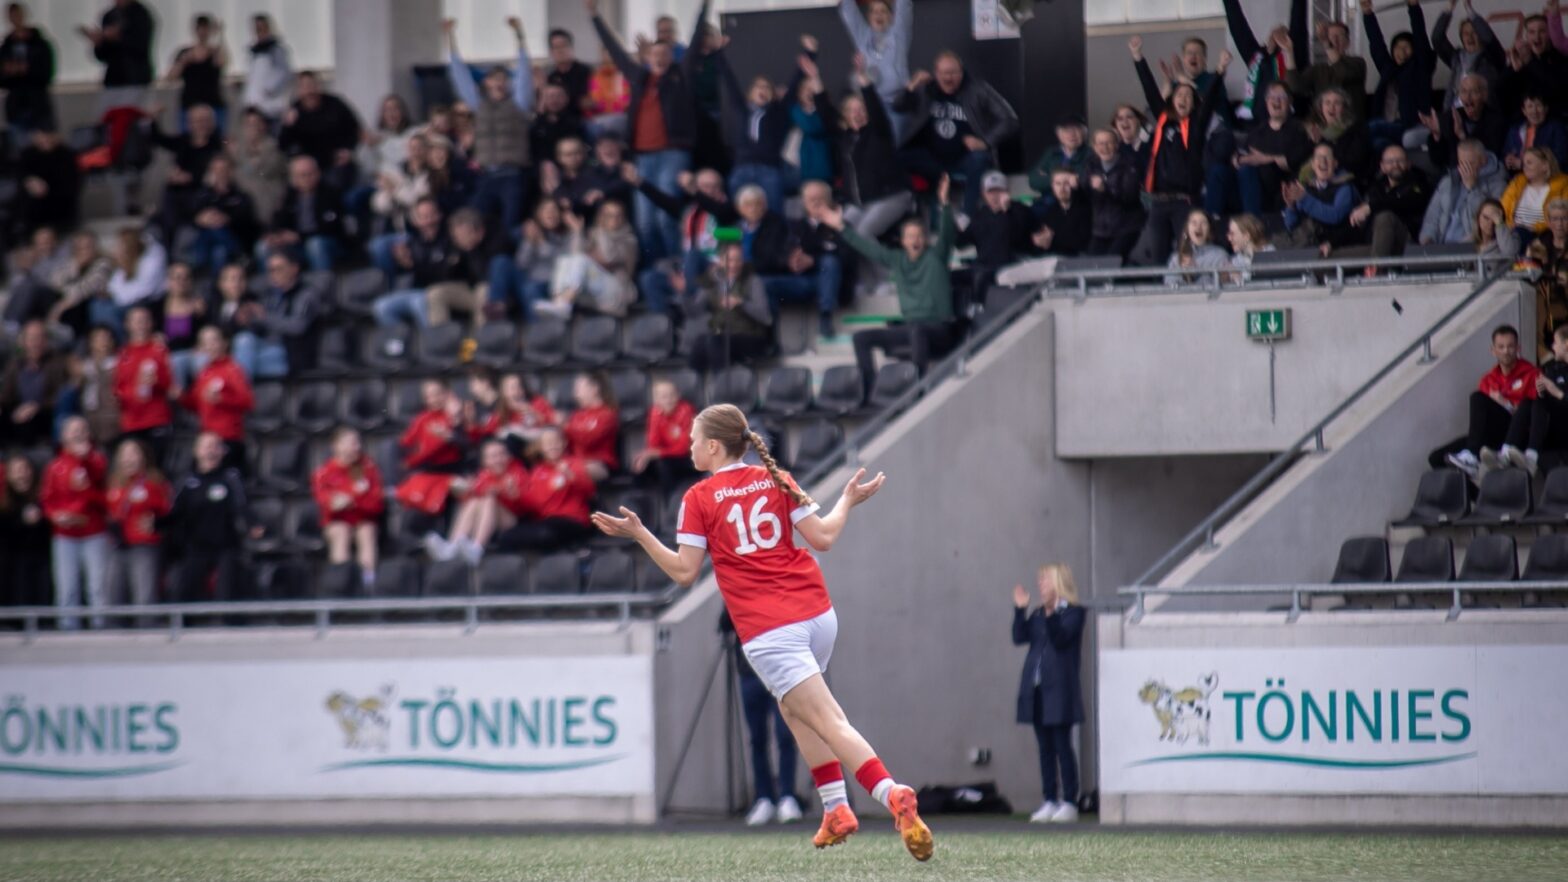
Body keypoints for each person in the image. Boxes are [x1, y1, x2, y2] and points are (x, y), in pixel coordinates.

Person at [591, 405, 933, 862]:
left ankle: (891, 793)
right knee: (796, 709)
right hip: (818, 615)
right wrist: (847, 500)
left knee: (828, 720)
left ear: (713, 446)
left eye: (694, 439)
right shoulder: (777, 477)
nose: (689, 446)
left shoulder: (699, 497)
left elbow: (684, 571)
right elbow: (824, 538)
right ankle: (835, 809)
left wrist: (639, 535)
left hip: (771, 630)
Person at [817, 175, 956, 396]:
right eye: (910, 236)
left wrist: (945, 204)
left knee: (917, 331)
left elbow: (948, 236)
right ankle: (870, 389)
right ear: (902, 241)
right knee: (861, 337)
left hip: (938, 328)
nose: (915, 240)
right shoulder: (897, 259)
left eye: (919, 236)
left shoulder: (936, 257)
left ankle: (918, 387)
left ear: (926, 239)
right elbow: (866, 247)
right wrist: (842, 227)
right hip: (912, 327)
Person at [588, 0, 706, 260]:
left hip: (672, 155)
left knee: (665, 218)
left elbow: (696, 43)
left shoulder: (680, 76)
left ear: (671, 56)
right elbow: (615, 52)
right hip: (642, 157)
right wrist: (595, 16)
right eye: (656, 53)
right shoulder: (639, 77)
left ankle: (679, 269)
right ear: (648, 57)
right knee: (645, 224)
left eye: (665, 53)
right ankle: (659, 271)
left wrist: (704, 7)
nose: (660, 57)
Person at [1127, 37, 1230, 267]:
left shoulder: (1196, 125)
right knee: (1157, 257)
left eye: (1188, 96)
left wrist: (1221, 70)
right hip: (1158, 202)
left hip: (1184, 202)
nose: (1183, 98)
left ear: (1194, 104)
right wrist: (1138, 57)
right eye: (1179, 95)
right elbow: (1150, 89)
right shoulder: (1163, 121)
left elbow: (1211, 97)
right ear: (1171, 100)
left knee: (1187, 255)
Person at [893, 51, 1019, 218]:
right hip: (932, 158)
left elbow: (1009, 119)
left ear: (962, 72)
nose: (949, 77)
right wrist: (912, 85)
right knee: (896, 158)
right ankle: (913, 213)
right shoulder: (925, 89)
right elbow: (898, 106)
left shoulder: (977, 89)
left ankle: (966, 215)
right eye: (944, 73)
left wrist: (986, 142)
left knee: (980, 158)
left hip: (965, 159)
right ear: (936, 73)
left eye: (953, 72)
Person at [444, 16, 535, 234]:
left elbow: (524, 73)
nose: (499, 82)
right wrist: (450, 37)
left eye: (503, 78)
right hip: (486, 176)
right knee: (474, 221)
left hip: (512, 175)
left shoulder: (519, 103)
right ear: (486, 82)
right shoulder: (478, 104)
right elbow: (460, 76)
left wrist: (519, 36)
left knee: (510, 224)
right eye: (494, 78)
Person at [1011, 563, 1085, 824]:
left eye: (1045, 581)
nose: (1041, 586)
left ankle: (1070, 801)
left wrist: (1053, 613)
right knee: (1044, 747)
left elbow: (1061, 638)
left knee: (1062, 745)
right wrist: (1020, 610)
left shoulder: (1073, 613)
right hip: (1038, 690)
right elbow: (1019, 637)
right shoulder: (1039, 614)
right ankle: (1049, 799)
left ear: (1058, 583)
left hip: (1060, 691)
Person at [720, 606, 804, 827]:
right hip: (750, 671)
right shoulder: (740, 585)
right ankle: (764, 797)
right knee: (757, 739)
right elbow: (725, 623)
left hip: (781, 670)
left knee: (785, 735)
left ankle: (787, 795)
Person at [822, 54, 912, 241]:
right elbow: (826, 114)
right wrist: (815, 79)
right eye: (851, 110)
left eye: (861, 109)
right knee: (838, 233)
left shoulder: (879, 131)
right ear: (845, 117)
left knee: (862, 235)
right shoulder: (846, 138)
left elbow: (876, 108)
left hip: (891, 197)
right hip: (860, 203)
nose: (857, 113)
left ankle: (888, 271)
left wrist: (863, 79)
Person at [1431, 325, 1538, 478]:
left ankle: (1472, 456)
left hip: (1517, 435)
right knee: (1436, 458)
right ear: (1493, 350)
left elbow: (1535, 414)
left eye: (1510, 346)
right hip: (1490, 436)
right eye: (1501, 347)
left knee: (1477, 398)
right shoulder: (1488, 379)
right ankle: (1478, 496)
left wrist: (1505, 404)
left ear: (1518, 348)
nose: (1506, 351)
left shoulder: (1532, 374)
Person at [716, 37, 808, 214]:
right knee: (738, 213)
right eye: (758, 87)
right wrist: (718, 53)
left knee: (773, 212)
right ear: (750, 92)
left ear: (773, 95)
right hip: (741, 168)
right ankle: (741, 242)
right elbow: (729, 80)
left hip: (769, 169)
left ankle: (774, 241)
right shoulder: (742, 109)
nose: (762, 90)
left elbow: (795, 84)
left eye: (767, 88)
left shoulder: (777, 112)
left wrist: (809, 53)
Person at [40, 416, 110, 630]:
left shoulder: (98, 461)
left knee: (97, 586)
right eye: (73, 430)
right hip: (65, 534)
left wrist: (84, 461)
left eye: (82, 429)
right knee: (66, 586)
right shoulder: (55, 466)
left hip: (94, 532)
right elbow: (47, 500)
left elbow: (105, 495)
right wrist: (56, 516)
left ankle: (100, 626)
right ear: (63, 436)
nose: (78, 433)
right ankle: (68, 628)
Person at [165, 431, 250, 603]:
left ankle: (230, 625)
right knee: (186, 587)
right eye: (206, 446)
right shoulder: (186, 482)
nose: (211, 451)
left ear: (222, 451)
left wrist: (251, 524)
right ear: (197, 451)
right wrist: (157, 523)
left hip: (226, 544)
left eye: (215, 446)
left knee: (228, 587)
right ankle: (186, 625)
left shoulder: (231, 478)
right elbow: (174, 513)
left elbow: (242, 506)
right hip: (196, 545)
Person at [492, 425, 596, 552]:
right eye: (547, 443)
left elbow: (589, 491)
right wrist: (515, 494)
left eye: (555, 441)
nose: (552, 446)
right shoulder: (538, 470)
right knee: (507, 537)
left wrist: (571, 476)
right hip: (547, 521)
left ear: (564, 443)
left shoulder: (574, 463)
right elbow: (533, 503)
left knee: (545, 534)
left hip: (573, 520)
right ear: (541, 447)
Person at [426, 439, 529, 565]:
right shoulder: (484, 475)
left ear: (508, 456)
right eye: (493, 456)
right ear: (485, 461)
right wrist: (463, 491)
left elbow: (527, 504)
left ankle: (477, 548)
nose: (498, 459)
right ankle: (452, 546)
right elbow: (472, 496)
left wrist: (513, 494)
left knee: (489, 499)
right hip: (491, 519)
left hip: (514, 521)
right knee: (475, 501)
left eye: (501, 454)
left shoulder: (518, 471)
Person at [312, 427, 384, 592]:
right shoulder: (324, 472)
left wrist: (351, 500)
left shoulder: (368, 468)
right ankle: (341, 583)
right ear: (336, 446)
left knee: (366, 531)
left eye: (357, 442)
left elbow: (375, 502)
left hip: (363, 518)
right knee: (341, 532)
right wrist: (340, 501)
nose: (356, 447)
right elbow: (326, 503)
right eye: (351, 443)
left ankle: (368, 583)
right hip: (338, 521)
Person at [687, 242, 774, 375]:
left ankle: (723, 390)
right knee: (700, 343)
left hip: (751, 337)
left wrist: (741, 303)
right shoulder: (713, 282)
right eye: (729, 260)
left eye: (738, 260)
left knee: (716, 342)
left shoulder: (753, 281)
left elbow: (766, 317)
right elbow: (694, 311)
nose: (734, 265)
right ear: (720, 262)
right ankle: (692, 392)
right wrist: (683, 293)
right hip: (723, 336)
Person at [232, 249, 321, 380]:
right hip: (266, 351)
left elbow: (298, 326)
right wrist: (248, 319)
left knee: (236, 366)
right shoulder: (269, 295)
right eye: (270, 270)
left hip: (290, 354)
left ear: (294, 269)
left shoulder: (306, 294)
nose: (273, 274)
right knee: (243, 341)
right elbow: (261, 326)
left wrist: (263, 316)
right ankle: (238, 392)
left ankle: (237, 394)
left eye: (278, 269)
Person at [1361, 0, 1435, 154]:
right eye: (1397, 47)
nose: (1401, 51)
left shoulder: (1420, 68)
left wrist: (1413, 7)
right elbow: (1377, 44)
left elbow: (1420, 37)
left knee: (1372, 127)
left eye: (1406, 47)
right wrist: (1368, 14)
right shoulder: (1388, 69)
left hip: (1409, 125)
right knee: (1378, 144)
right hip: (1386, 126)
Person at [105, 437, 169, 614]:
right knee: (113, 593)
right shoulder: (113, 484)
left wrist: (155, 522)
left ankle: (147, 632)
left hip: (144, 545)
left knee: (144, 596)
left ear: (143, 457)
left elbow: (168, 512)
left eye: (133, 453)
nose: (128, 458)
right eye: (124, 454)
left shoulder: (154, 483)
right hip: (118, 546)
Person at [370, 197, 454, 329]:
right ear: (415, 221)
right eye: (423, 217)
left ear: (440, 215)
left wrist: (413, 265)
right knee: (381, 307)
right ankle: (404, 341)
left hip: (441, 291)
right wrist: (401, 263)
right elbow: (407, 273)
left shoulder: (450, 239)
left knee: (419, 302)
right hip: (417, 290)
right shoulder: (413, 242)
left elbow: (447, 274)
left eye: (431, 215)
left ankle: (433, 345)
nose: (428, 221)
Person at [1218, 0, 1307, 124]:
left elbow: (1299, 20)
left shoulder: (1295, 57)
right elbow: (1238, 26)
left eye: (1283, 34)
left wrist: (1288, 49)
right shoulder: (1257, 57)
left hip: (1288, 124)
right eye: (1274, 34)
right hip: (1257, 125)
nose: (1278, 36)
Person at [179, 327, 253, 474]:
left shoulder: (232, 369)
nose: (210, 346)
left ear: (224, 343)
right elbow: (195, 404)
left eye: (214, 341)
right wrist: (180, 396)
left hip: (227, 438)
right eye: (205, 342)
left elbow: (248, 401)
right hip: (208, 439)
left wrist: (222, 399)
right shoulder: (204, 372)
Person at [546, 203, 639, 319]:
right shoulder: (594, 234)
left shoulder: (628, 239)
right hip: (595, 294)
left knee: (582, 260)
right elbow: (575, 255)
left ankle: (563, 303)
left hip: (617, 295)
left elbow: (608, 257)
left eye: (618, 215)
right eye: (609, 215)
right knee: (565, 260)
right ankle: (559, 301)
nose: (614, 219)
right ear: (602, 216)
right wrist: (577, 231)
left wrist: (601, 230)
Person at [838, 0, 913, 142]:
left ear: (891, 16)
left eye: (883, 11)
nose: (878, 15)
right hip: (870, 106)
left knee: (893, 149)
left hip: (895, 105)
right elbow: (848, 9)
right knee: (870, 149)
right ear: (869, 16)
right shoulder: (863, 36)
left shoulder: (899, 35)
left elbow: (904, 6)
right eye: (874, 11)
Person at [259, 155, 347, 272]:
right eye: (302, 175)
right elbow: (278, 217)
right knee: (263, 247)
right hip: (297, 245)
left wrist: (300, 236)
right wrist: (275, 234)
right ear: (294, 178)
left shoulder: (330, 193)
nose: (307, 178)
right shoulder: (289, 195)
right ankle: (271, 287)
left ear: (318, 173)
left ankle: (323, 283)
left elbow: (332, 228)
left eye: (310, 174)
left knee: (315, 245)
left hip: (328, 243)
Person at [279, 70, 362, 193]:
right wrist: (288, 125)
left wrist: (348, 149)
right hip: (307, 166)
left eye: (311, 85)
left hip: (335, 163)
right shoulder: (295, 111)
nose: (309, 91)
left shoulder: (335, 104)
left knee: (336, 183)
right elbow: (283, 144)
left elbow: (354, 128)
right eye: (304, 87)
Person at [113, 304, 173, 462]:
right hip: (132, 421)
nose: (141, 324)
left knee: (157, 469)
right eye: (136, 320)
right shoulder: (123, 354)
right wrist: (133, 393)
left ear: (151, 323)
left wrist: (157, 381)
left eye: (144, 320)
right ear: (128, 324)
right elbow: (117, 388)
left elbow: (171, 385)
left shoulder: (159, 350)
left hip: (156, 418)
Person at [182, 153, 258, 277]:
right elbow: (189, 215)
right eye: (216, 169)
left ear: (231, 171)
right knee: (212, 234)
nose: (220, 173)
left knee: (219, 250)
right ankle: (238, 256)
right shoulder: (203, 195)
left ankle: (201, 267)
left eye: (224, 169)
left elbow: (247, 220)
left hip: (232, 236)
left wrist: (227, 219)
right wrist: (200, 219)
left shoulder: (240, 196)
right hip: (205, 238)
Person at [1349, 144, 1431, 259]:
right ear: (1382, 166)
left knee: (1385, 217)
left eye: (1400, 161)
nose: (1395, 165)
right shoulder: (1376, 187)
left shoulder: (1418, 183)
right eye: (1390, 161)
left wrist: (1370, 207)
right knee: (1325, 259)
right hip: (1375, 246)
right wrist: (1330, 243)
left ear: (1408, 163)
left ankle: (1376, 273)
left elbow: (1400, 203)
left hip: (1405, 246)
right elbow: (1356, 219)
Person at [1419, 139, 1507, 245]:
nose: (1465, 168)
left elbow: (1487, 224)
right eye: (1462, 163)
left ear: (1483, 160)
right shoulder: (1448, 182)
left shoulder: (1498, 185)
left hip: (1472, 248)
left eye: (1470, 163)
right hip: (1440, 247)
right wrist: (1428, 239)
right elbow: (1432, 217)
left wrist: (1472, 189)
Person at [1278, 143, 1361, 253]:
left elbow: (1335, 216)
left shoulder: (1345, 188)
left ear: (1335, 163)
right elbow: (1291, 225)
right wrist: (1291, 206)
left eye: (1327, 157)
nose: (1323, 162)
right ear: (1312, 164)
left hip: (1337, 247)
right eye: (1318, 157)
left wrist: (1304, 199)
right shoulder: (1306, 189)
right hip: (1307, 245)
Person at [1284, 14, 1367, 119]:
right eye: (1331, 36)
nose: (1335, 41)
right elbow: (1295, 86)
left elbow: (1343, 72)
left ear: (1348, 42)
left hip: (1350, 127)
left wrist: (1326, 43)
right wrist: (1289, 51)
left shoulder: (1358, 63)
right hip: (1322, 126)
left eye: (1339, 36)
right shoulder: (1318, 68)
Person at [0, 319, 67, 448]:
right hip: (17, 413)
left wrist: (37, 406)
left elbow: (61, 396)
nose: (36, 343)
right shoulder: (15, 364)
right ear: (24, 342)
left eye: (40, 338)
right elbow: (6, 394)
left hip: (44, 414)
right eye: (31, 338)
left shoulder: (57, 363)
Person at [1432, 0, 1505, 117]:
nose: (1470, 37)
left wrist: (1469, 10)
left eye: (1474, 33)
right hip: (1454, 114)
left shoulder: (1492, 57)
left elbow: (1489, 38)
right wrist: (1449, 8)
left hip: (1481, 117)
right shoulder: (1456, 57)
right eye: (1466, 33)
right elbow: (1437, 38)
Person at [1421, 73, 1506, 170]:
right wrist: (1436, 135)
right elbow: (1438, 160)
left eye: (1474, 92)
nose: (1468, 97)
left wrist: (1462, 135)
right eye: (1464, 91)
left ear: (1484, 95)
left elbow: (1488, 158)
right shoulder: (1451, 116)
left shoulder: (1496, 121)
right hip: (1454, 174)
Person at [79, 0, 155, 109]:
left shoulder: (141, 15)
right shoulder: (109, 16)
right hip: (113, 80)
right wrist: (99, 42)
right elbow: (102, 56)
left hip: (136, 79)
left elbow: (140, 46)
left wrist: (119, 37)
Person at [0, 454, 51, 611]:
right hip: (11, 562)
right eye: (17, 470)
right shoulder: (4, 503)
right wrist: (21, 521)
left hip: (40, 559)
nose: (22, 474)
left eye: (25, 469)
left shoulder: (42, 498)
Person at [0, 3, 57, 141]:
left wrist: (28, 70)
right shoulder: (6, 47)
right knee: (19, 149)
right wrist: (10, 72)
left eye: (18, 15)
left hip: (38, 104)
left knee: (44, 147)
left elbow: (47, 74)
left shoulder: (40, 44)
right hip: (16, 105)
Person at [633, 377, 697, 499]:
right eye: (663, 397)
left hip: (688, 459)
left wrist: (656, 453)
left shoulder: (686, 411)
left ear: (678, 395)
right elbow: (653, 444)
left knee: (664, 466)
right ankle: (637, 509)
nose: (669, 400)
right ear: (656, 400)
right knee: (639, 465)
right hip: (666, 457)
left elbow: (683, 448)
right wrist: (647, 456)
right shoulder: (655, 413)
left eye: (672, 395)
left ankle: (671, 508)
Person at [1085, 128, 1145, 259]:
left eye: (1109, 143)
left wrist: (1104, 189)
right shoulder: (1091, 165)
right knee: (1090, 265)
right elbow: (1086, 193)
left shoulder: (1129, 165)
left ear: (1117, 145)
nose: (1104, 147)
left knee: (1112, 262)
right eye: (1100, 143)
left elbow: (1130, 196)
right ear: (1094, 147)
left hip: (1126, 227)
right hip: (1100, 229)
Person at [165, 14, 228, 133]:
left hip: (212, 103)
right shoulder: (185, 52)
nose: (202, 32)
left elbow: (223, 62)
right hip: (189, 104)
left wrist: (220, 35)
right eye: (200, 28)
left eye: (206, 29)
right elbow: (170, 77)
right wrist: (183, 62)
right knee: (187, 141)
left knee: (216, 141)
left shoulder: (215, 52)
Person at [17, 127, 79, 236]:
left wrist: (47, 188)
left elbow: (73, 185)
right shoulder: (26, 155)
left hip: (62, 212)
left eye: (48, 136)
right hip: (34, 214)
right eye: (41, 136)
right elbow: (21, 176)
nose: (45, 140)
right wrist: (30, 182)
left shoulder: (67, 155)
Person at [1501, 147, 1568, 241]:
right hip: (1514, 234)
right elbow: (1502, 209)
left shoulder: (1563, 185)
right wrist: (1510, 226)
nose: (1525, 167)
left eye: (1529, 163)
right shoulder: (1517, 182)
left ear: (1544, 166)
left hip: (1544, 235)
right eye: (1524, 164)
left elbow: (1563, 216)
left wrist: (1534, 228)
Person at [232, 106, 287, 221]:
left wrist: (255, 153)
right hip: (242, 207)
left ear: (264, 125)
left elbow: (266, 171)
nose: (253, 128)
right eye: (248, 124)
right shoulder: (235, 150)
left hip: (267, 203)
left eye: (256, 123)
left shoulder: (274, 148)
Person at [564, 372, 620, 478]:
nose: (575, 394)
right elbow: (568, 442)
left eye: (579, 388)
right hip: (576, 461)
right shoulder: (576, 415)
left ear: (594, 388)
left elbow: (588, 441)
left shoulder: (607, 415)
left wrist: (566, 427)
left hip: (600, 463)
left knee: (573, 471)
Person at [242, 14, 291, 125]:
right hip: (254, 107)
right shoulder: (253, 52)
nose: (260, 32)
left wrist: (269, 89)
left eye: (262, 28)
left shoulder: (276, 50)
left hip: (271, 108)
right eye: (257, 29)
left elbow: (284, 74)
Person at [1503, 93, 1567, 173]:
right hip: (1518, 177)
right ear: (1524, 111)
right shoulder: (1515, 130)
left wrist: (1523, 164)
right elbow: (1506, 152)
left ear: (1546, 109)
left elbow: (1560, 159)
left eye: (1538, 106)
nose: (1534, 111)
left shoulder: (1556, 129)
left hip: (1548, 177)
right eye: (1530, 106)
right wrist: (1508, 159)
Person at [1034, 170, 1091, 257]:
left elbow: (1080, 242)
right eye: (1058, 184)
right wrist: (1040, 241)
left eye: (1066, 183)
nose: (1062, 188)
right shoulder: (1050, 212)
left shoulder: (1086, 207)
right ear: (1052, 186)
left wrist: (1053, 239)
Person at [1028, 117, 1090, 197]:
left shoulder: (1091, 154)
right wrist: (1066, 179)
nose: (1071, 134)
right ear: (1059, 135)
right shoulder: (1051, 153)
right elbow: (1033, 180)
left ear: (1085, 133)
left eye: (1077, 130)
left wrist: (1048, 177)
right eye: (1066, 130)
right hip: (1049, 201)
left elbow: (1086, 181)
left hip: (1078, 201)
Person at [1166, 209, 1230, 283]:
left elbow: (1223, 286)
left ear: (1209, 230)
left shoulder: (1220, 255)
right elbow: (1169, 285)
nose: (1198, 227)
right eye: (1194, 223)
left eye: (1203, 223)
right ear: (1187, 229)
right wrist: (1186, 276)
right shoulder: (1176, 258)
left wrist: (1198, 274)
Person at [1226, 213, 1275, 282]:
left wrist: (1239, 278)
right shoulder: (1234, 261)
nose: (1229, 238)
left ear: (1246, 236)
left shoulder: (1270, 254)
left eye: (1232, 234)